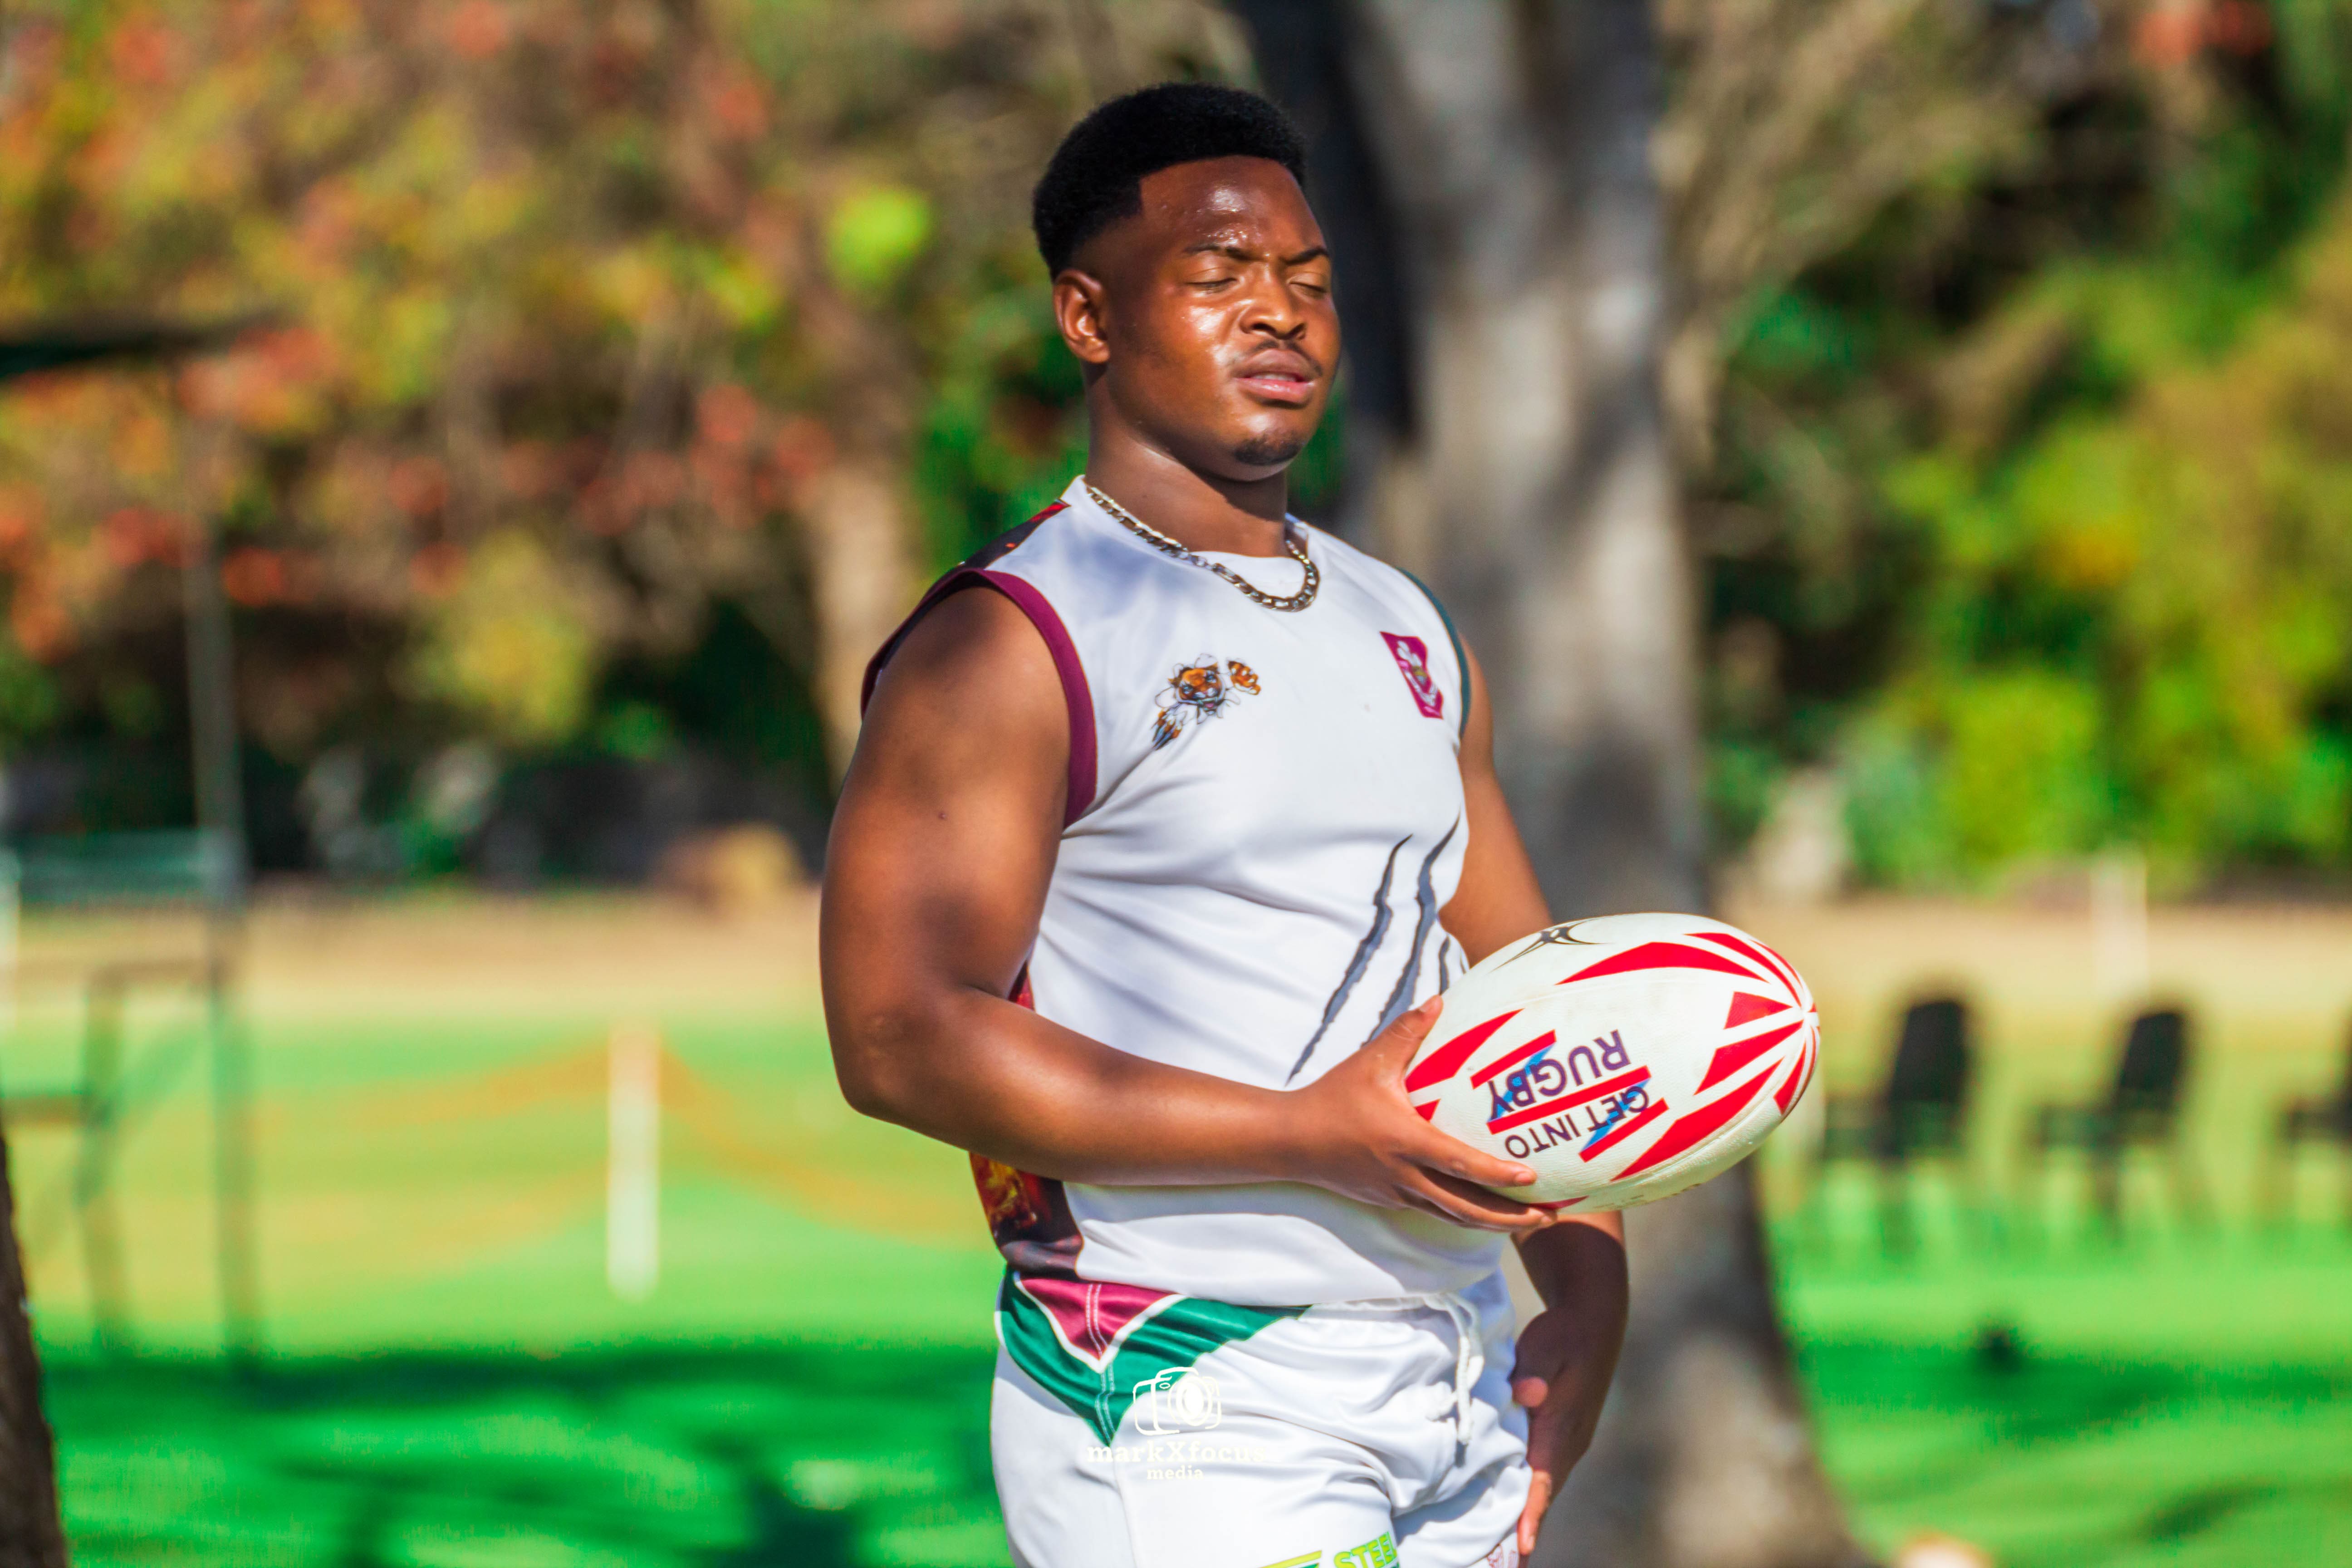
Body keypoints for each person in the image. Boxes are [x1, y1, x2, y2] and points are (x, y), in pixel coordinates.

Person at [823, 83, 1626, 1568]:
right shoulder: (1013, 638)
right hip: (1185, 1378)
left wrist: (1588, 1277)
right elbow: (897, 1038)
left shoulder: (1410, 628)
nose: (1281, 314)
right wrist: (1306, 1135)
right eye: (1220, 274)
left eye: (1310, 281)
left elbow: (1537, 997)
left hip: (1447, 1370)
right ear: (1088, 316)